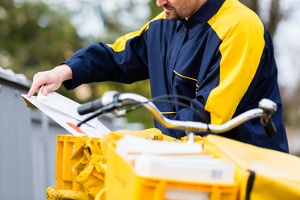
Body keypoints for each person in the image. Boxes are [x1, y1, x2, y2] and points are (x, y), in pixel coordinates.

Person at [27, 0, 289, 153]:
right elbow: (117, 56)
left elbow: (205, 119)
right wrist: (65, 71)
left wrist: (135, 142)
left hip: (248, 176)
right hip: (185, 167)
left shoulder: (241, 28)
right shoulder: (166, 23)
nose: (159, 1)